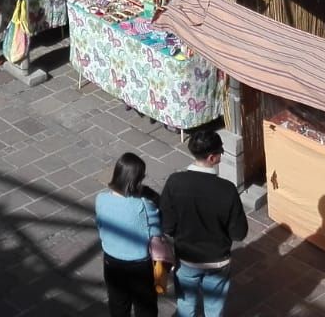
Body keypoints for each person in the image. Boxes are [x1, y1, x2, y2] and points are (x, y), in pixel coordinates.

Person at [159, 130, 249, 317]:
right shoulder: (227, 190)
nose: (221, 156)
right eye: (220, 153)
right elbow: (239, 233)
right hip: (217, 262)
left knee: (185, 306)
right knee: (214, 309)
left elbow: (167, 225)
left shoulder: (175, 182)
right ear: (212, 157)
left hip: (186, 259)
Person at [97, 153, 163, 317]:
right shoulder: (143, 205)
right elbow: (155, 231)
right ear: (136, 180)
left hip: (111, 260)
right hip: (139, 264)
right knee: (145, 307)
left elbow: (100, 225)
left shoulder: (101, 199)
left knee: (118, 303)